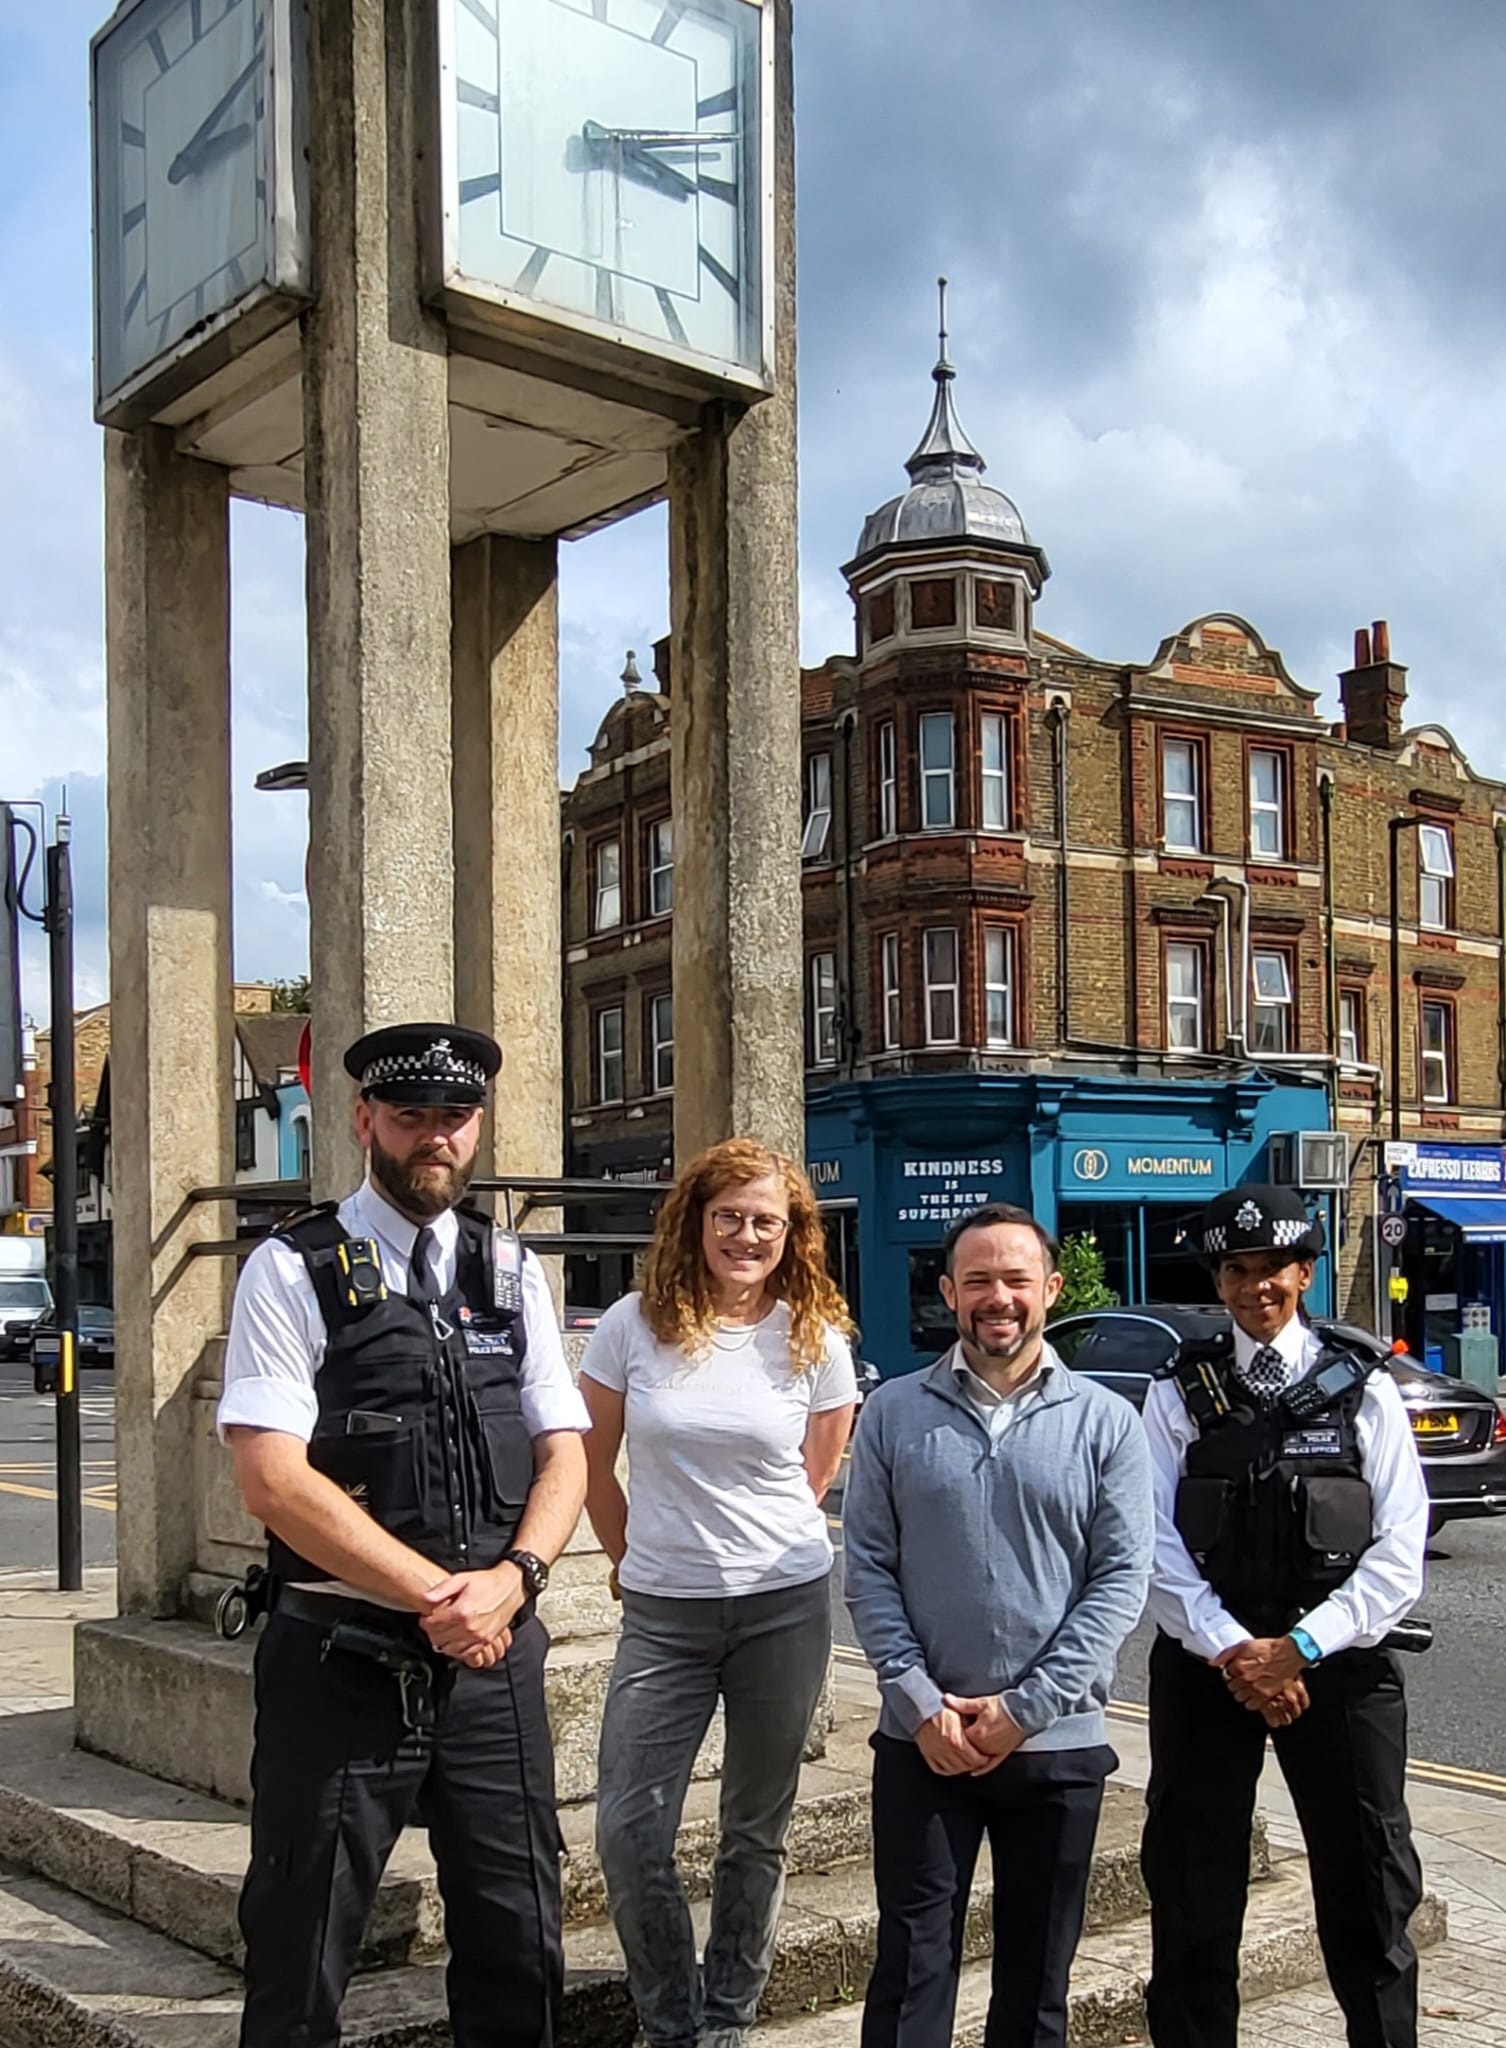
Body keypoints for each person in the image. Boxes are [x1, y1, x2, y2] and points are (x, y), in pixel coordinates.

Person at [217, 1023, 590, 2048]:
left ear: (476, 1127)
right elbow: (271, 1476)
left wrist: (513, 1579)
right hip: (342, 1665)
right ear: (363, 1118)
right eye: (411, 1114)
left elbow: (566, 1454)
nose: (435, 1136)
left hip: (492, 1665)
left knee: (522, 1948)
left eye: (454, 1117)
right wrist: (443, 1594)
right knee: (300, 1955)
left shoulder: (513, 1270)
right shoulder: (291, 1270)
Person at [843, 1201, 1154, 2048]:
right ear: (949, 1292)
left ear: (1050, 1290)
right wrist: (918, 1701)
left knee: (1037, 1982)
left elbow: (1122, 1578)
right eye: (977, 1279)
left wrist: (1026, 1709)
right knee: (910, 1973)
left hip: (1055, 1747)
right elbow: (867, 1569)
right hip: (923, 1742)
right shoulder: (894, 1413)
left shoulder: (1107, 1422)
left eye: (1016, 1279)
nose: (998, 1297)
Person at [579, 1137, 857, 2048]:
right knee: (628, 1830)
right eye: (729, 1216)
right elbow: (588, 1464)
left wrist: (752, 1545)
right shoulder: (631, 1325)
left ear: (792, 1233)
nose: (747, 1235)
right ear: (695, 1219)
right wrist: (631, 1558)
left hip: (785, 1605)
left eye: (766, 1221)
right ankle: (671, 2020)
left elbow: (814, 1475)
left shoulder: (814, 1333)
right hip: (663, 1616)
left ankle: (727, 2019)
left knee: (756, 1829)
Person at [1140, 1182, 1428, 2048]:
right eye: (1238, 1270)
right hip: (1208, 1668)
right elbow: (1151, 1543)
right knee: (1193, 1892)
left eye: (1275, 1269)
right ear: (1218, 1279)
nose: (1256, 1287)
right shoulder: (1177, 1393)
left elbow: (1399, 1553)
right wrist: (1238, 1652)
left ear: (1305, 1273)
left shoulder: (1363, 1389)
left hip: (1339, 1669)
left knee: (1370, 1890)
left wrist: (1298, 1648)